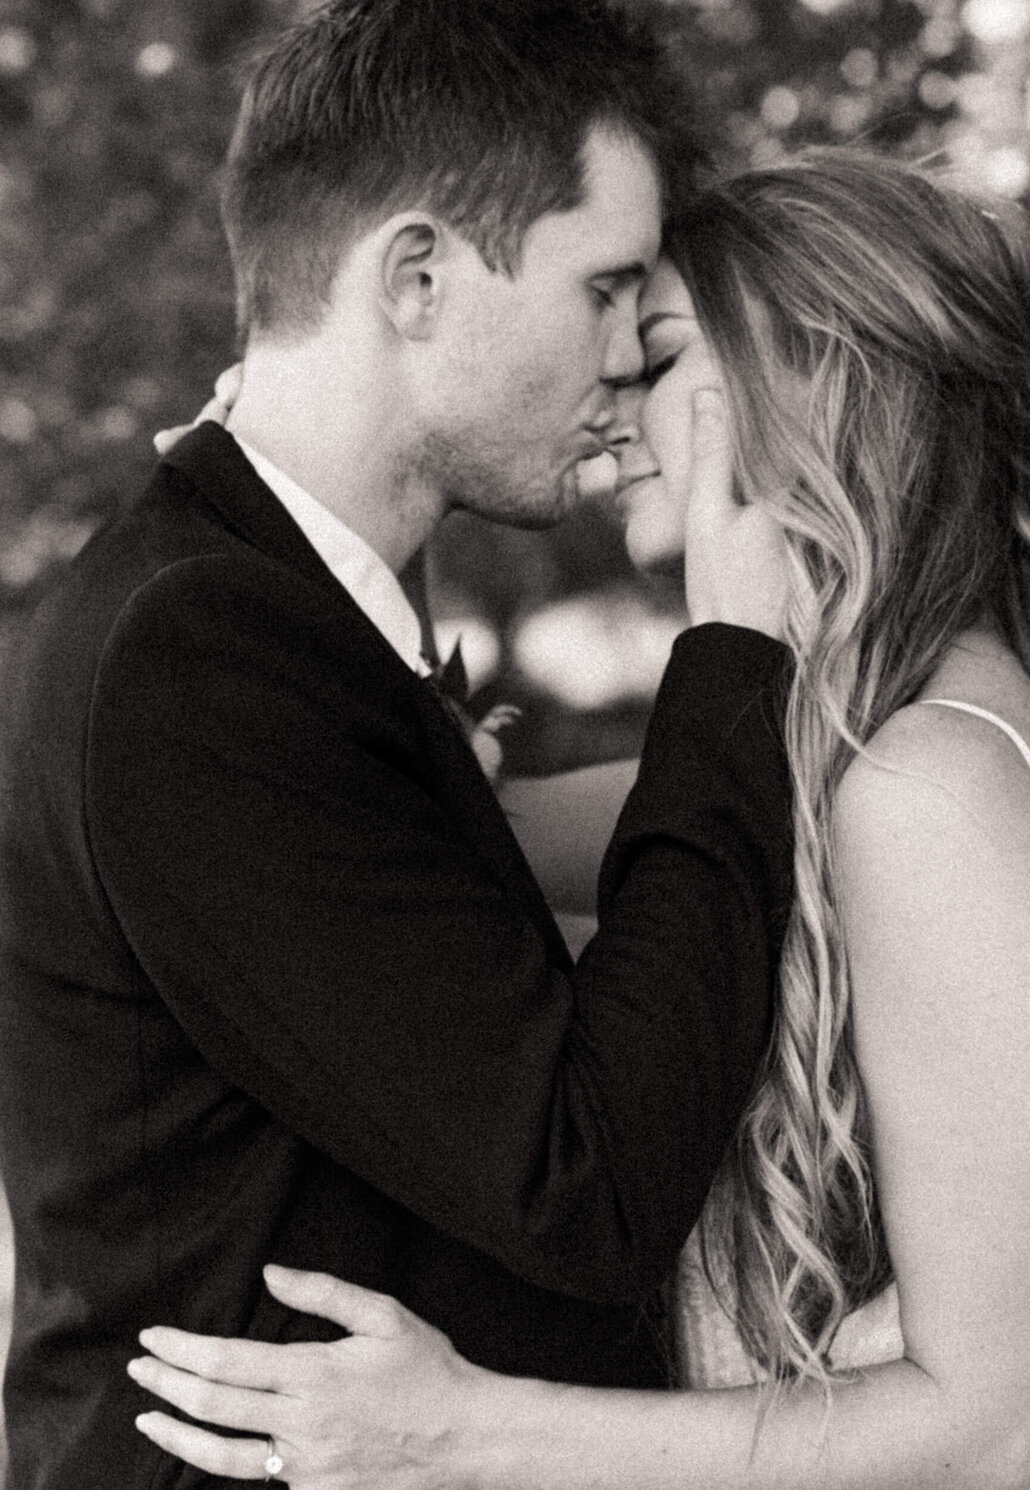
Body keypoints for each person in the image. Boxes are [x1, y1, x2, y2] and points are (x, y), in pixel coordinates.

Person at [129, 152, 1030, 1490]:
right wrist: (301, 477)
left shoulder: (932, 787)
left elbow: (981, 1431)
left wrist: (459, 1428)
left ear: (812, 377)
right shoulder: (835, 756)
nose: (614, 410)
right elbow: (461, 839)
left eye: (662, 356)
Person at [0, 3, 800, 1486]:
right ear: (419, 277)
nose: (631, 355)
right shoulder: (202, 653)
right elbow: (592, 1174)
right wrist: (733, 660)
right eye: (607, 288)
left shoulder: (267, 608)